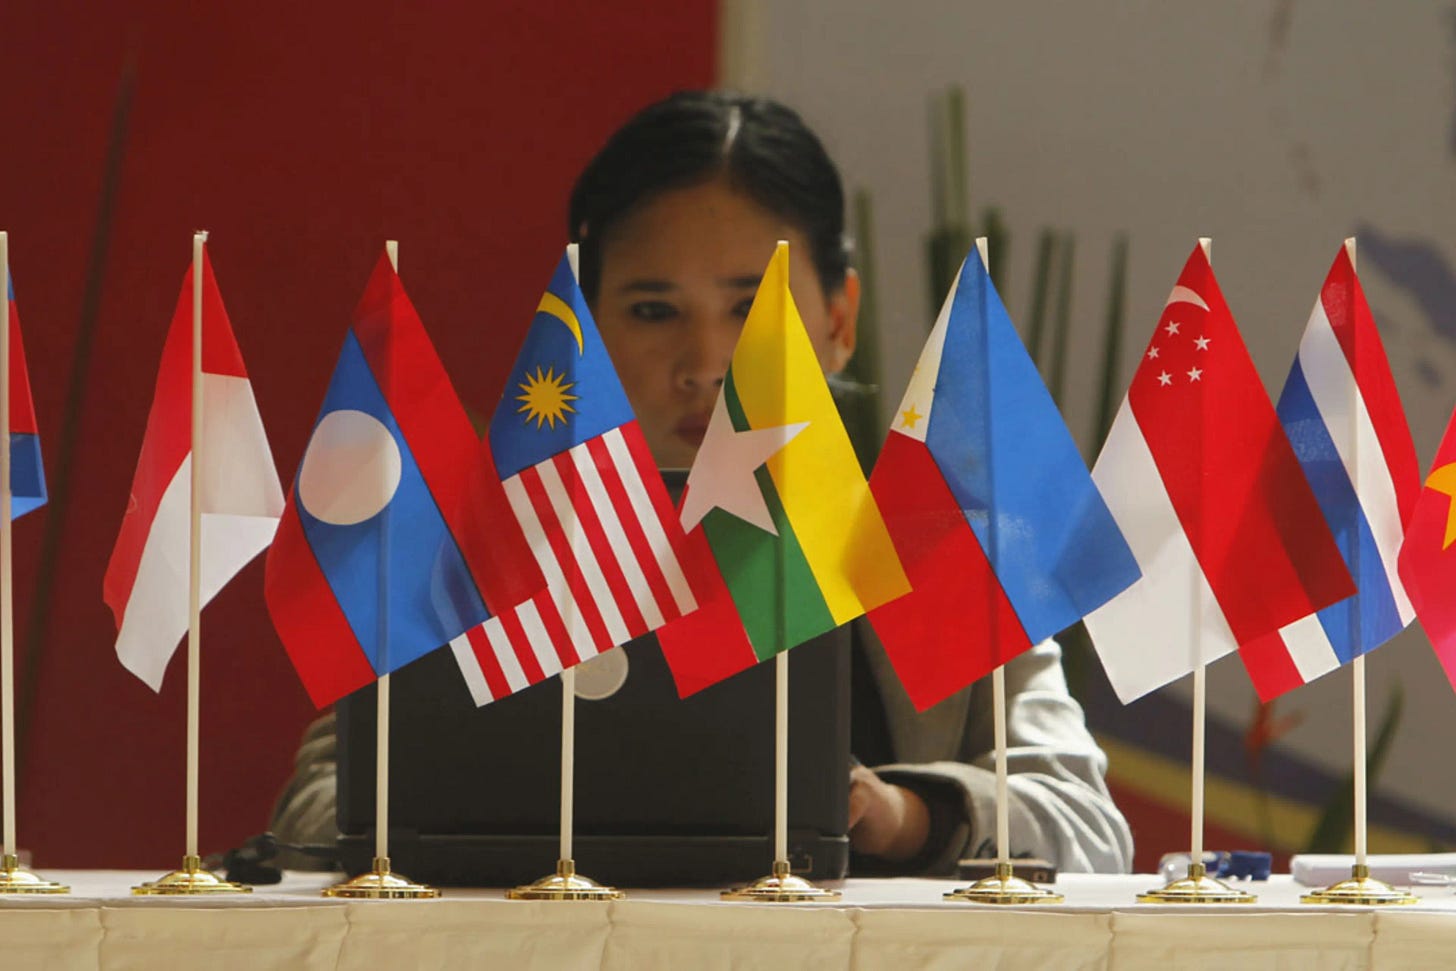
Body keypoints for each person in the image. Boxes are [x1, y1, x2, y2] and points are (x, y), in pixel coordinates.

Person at [271, 90, 1132, 876]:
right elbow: (313, 810)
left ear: (839, 320)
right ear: (584, 328)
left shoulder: (935, 547)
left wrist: (903, 814)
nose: (707, 364)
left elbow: (1086, 824)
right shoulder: (478, 558)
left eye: (752, 310)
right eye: (653, 310)